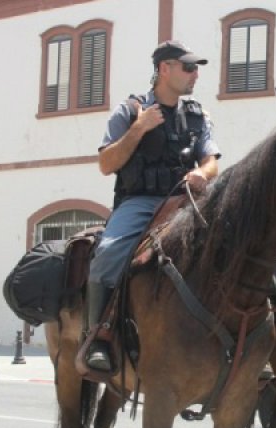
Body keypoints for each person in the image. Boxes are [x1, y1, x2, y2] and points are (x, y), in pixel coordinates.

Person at [81, 40, 221, 374]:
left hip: (187, 201)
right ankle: (99, 336)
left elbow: (211, 160)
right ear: (164, 69)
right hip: (141, 202)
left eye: (196, 67)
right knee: (109, 253)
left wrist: (202, 173)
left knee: (234, 243)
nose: (195, 74)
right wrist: (139, 128)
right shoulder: (129, 111)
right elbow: (106, 163)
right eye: (188, 67)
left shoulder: (197, 114)